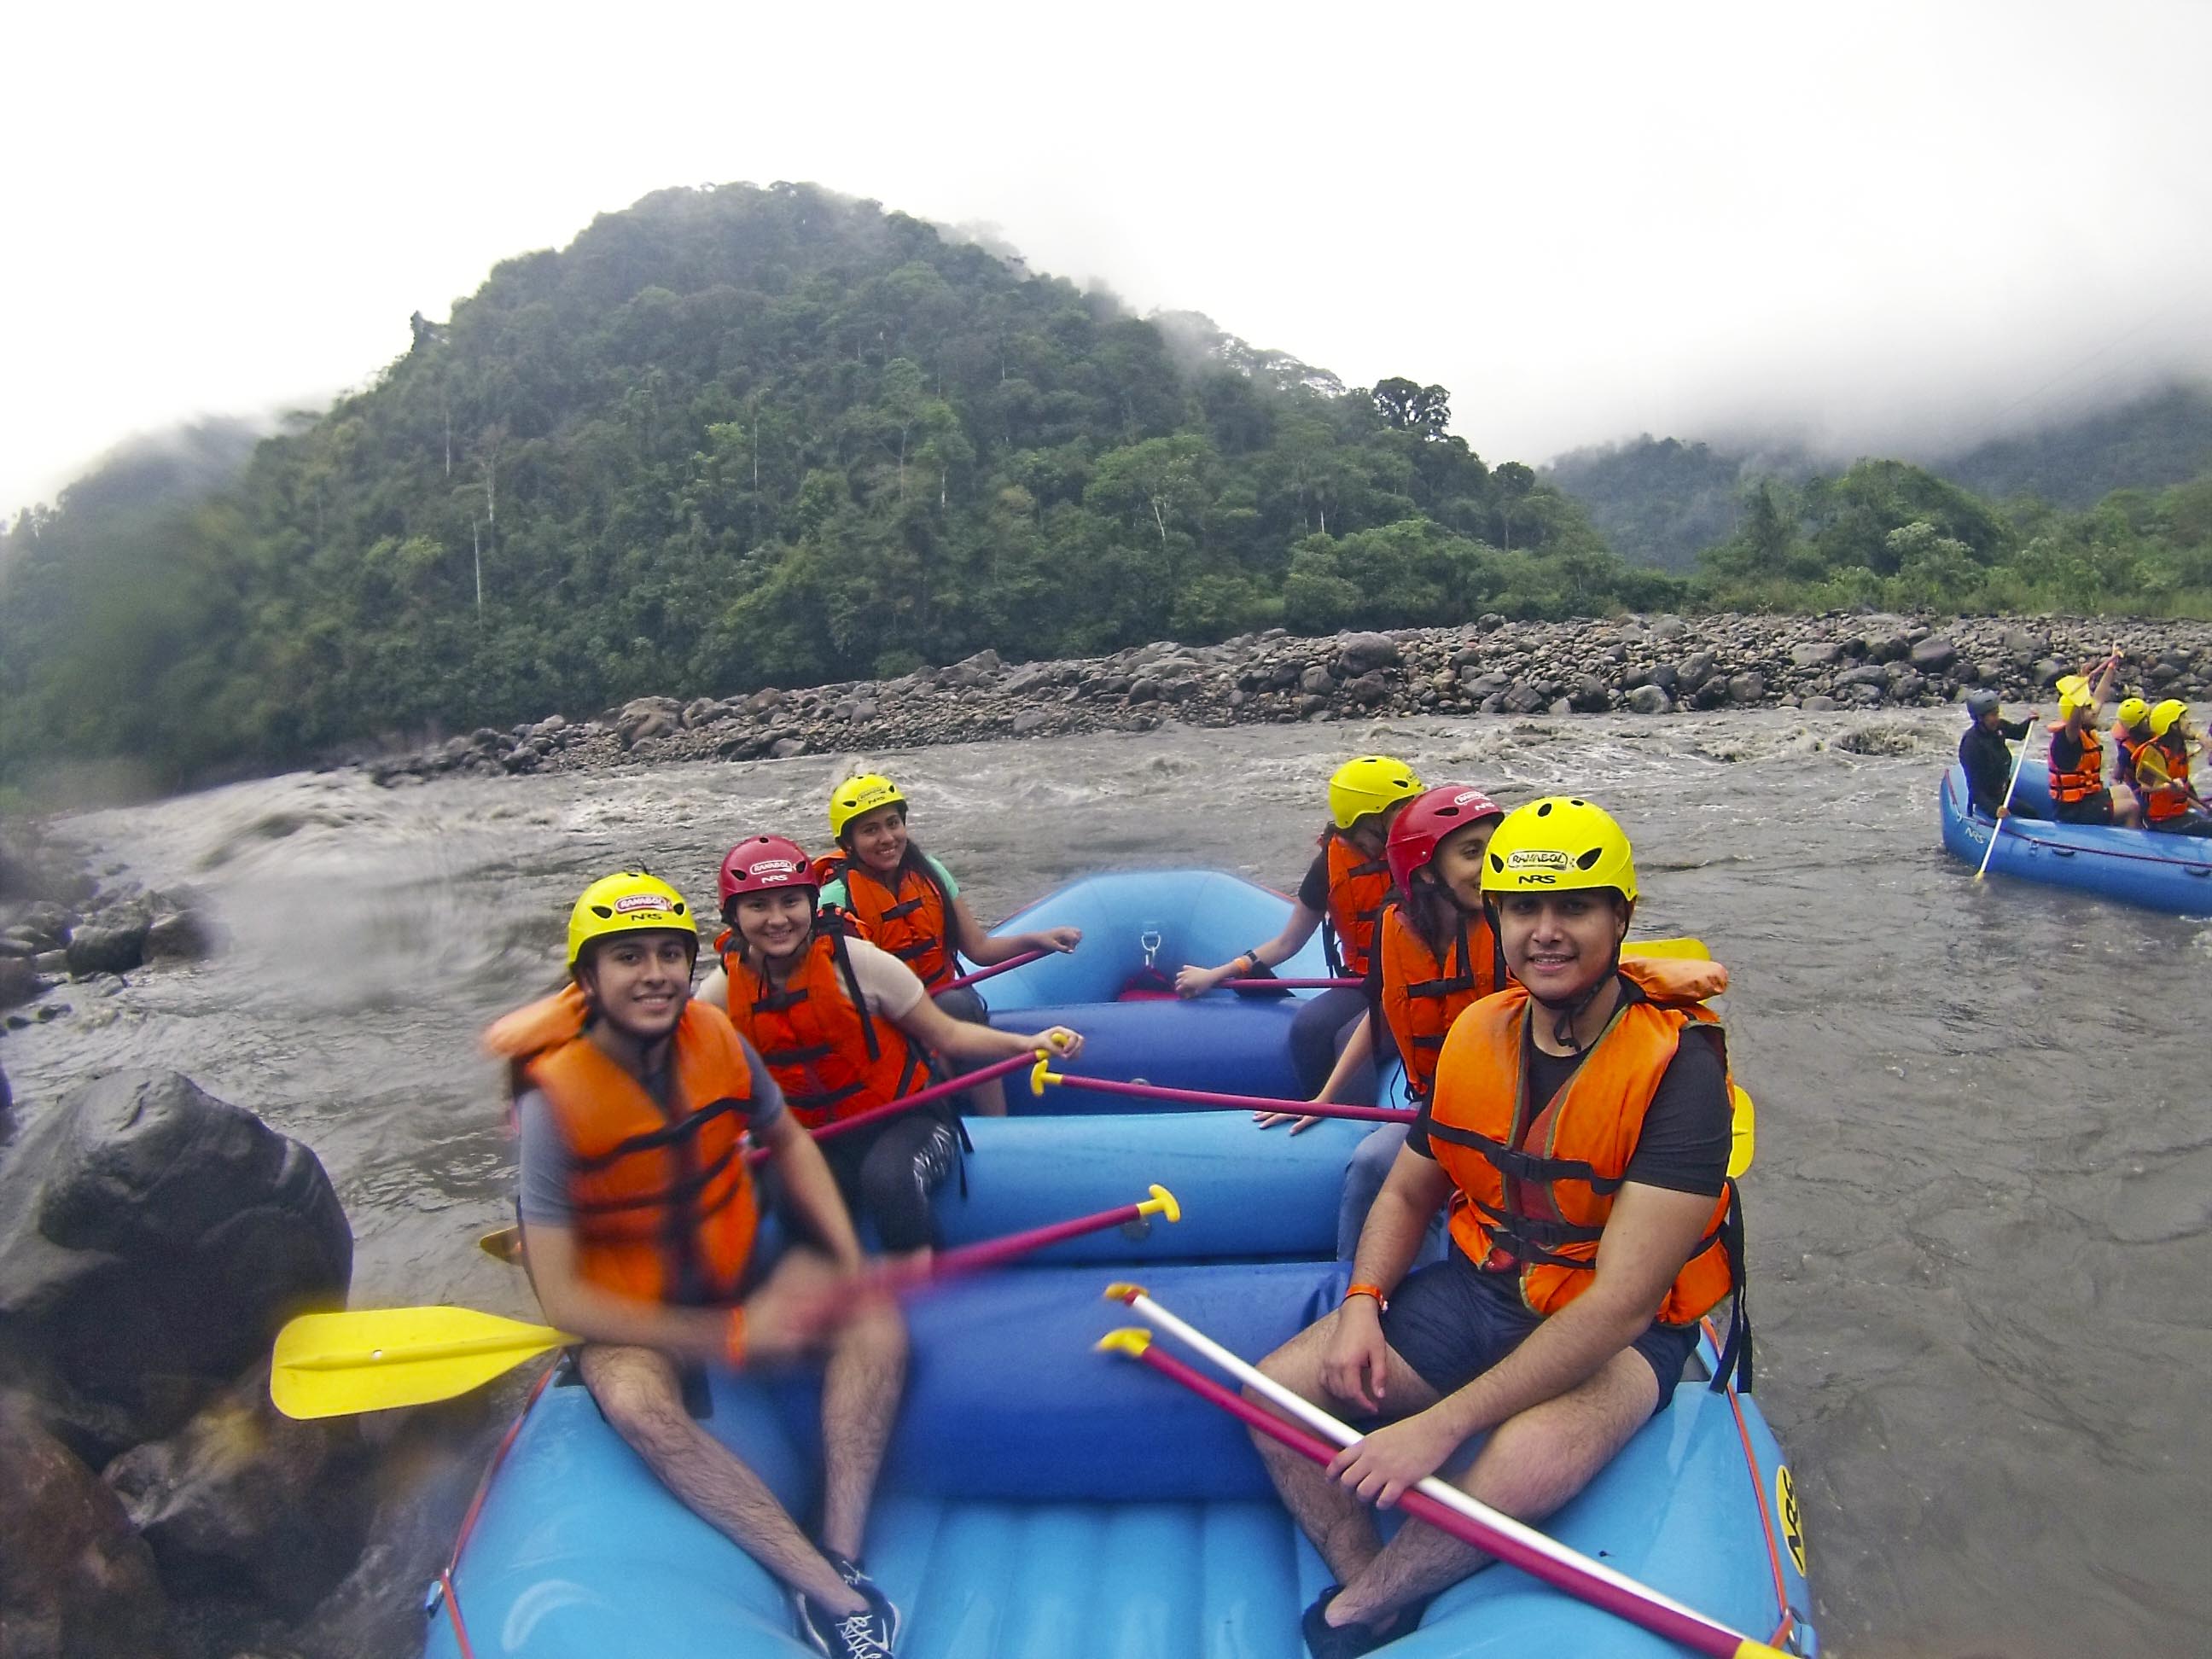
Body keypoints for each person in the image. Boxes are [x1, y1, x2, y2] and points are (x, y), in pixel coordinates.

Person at [1247, 799, 1746, 1657]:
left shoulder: (1680, 1073)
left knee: (1527, 1456)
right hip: (1485, 1289)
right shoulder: (1480, 1032)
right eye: (1524, 908)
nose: (1544, 932)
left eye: (1574, 908)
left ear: (1620, 917)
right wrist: (1363, 1304)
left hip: (1615, 1332)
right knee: (1274, 1392)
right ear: (1499, 917)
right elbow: (1406, 1195)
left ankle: (1359, 1607)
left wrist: (1442, 1425)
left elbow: (1625, 1303)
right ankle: (1371, 1577)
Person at [482, 870, 906, 1658]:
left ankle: (844, 1548)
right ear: (588, 978)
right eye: (628, 958)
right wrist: (733, 1334)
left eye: (669, 955)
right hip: (625, 1309)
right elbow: (565, 1302)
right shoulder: (552, 1099)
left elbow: (789, 1143)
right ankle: (826, 1589)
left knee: (875, 1322)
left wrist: (844, 1258)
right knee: (641, 1406)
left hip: (726, 1263)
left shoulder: (717, 1037)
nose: (654, 975)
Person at [698, 835, 1082, 1259]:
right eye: (758, 906)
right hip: (814, 1134)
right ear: (732, 917)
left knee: (889, 1181)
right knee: (788, 1195)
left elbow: (948, 1034)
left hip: (907, 1118)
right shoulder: (722, 990)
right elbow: (697, 1076)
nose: (777, 919)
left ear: (811, 903)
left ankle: (919, 1288)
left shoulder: (859, 963)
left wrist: (1028, 1043)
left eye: (790, 901)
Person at [1257, 784, 1509, 1264]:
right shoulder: (1399, 926)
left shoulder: (1513, 926)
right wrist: (1326, 1099)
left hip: (1507, 1114)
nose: (1491, 865)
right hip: (1438, 1107)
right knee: (1372, 1162)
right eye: (1473, 852)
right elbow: (1383, 1018)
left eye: (1497, 850)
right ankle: (1351, 1286)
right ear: (1426, 868)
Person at [818, 771, 1081, 1115]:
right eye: (870, 830)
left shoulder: (932, 874)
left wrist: (1037, 939)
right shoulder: (834, 899)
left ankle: (996, 1125)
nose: (887, 838)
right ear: (848, 842)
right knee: (946, 1016)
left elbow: (979, 950)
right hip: (886, 1022)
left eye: (893, 823)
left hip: (947, 1009)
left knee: (961, 1004)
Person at [1175, 755, 1425, 1099]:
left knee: (1347, 1038)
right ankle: (1316, 1114)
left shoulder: (1422, 855)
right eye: (1394, 818)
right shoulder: (1329, 865)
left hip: (1417, 981)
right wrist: (1217, 973)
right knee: (1307, 1029)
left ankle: (1352, 1121)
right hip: (1365, 980)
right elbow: (1288, 942)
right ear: (1362, 821)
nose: (1402, 829)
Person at [2047, 670, 2140, 829]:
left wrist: (2111, 669)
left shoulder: (2085, 730)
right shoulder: (2067, 739)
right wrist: (2078, 698)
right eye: (2088, 709)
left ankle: (2119, 831)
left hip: (2089, 797)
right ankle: (2132, 847)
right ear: (2076, 714)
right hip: (2074, 810)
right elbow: (2074, 721)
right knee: (2132, 807)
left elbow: (2099, 699)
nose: (2094, 712)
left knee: (2125, 790)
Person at [2130, 701, 2212, 837]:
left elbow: (2199, 739)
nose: (2189, 722)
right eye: (2184, 718)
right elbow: (2145, 786)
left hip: (2179, 812)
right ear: (2173, 726)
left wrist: (2199, 737)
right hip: (2162, 820)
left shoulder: (2178, 746)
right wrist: (2167, 786)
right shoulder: (2153, 752)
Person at [1958, 689, 2039, 819]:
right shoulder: (1971, 744)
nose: (1997, 718)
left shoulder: (1998, 726)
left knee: (2031, 813)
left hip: (2002, 790)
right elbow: (1975, 790)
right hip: (1988, 800)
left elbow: (2018, 733)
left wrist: (2029, 721)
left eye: (1997, 713)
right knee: (2028, 813)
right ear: (1980, 718)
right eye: (1992, 715)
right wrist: (1994, 810)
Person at [2110, 696, 2155, 812]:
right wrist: (2125, 793)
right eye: (2148, 716)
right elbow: (2115, 777)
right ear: (2143, 723)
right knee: (2142, 807)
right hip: (2138, 788)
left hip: (2160, 785)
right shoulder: (2126, 750)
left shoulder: (2158, 736)